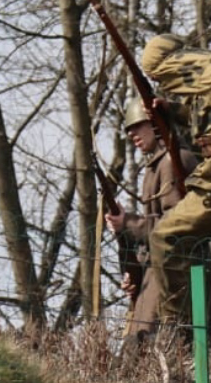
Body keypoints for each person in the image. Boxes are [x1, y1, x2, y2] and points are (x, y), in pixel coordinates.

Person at [106, 96, 199, 350]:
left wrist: (129, 223)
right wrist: (132, 269)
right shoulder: (154, 169)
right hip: (153, 274)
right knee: (135, 352)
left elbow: (178, 226)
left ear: (156, 123)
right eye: (128, 130)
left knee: (155, 347)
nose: (132, 134)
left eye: (137, 126)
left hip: (173, 276)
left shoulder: (174, 162)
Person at [135, 35, 211, 335]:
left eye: (158, 74)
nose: (158, 80)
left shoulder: (203, 71)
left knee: (167, 237)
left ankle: (179, 331)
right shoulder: (199, 87)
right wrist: (172, 111)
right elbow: (202, 114)